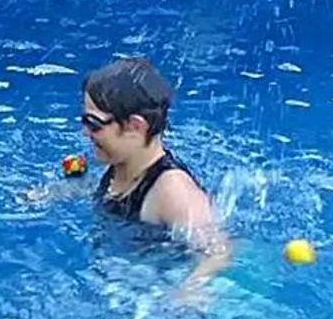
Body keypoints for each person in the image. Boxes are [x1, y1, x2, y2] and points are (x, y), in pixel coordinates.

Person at [78, 57, 230, 295]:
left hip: (158, 283)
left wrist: (190, 292)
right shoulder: (122, 163)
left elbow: (218, 252)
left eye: (94, 124)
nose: (85, 132)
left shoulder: (173, 191)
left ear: (135, 126)